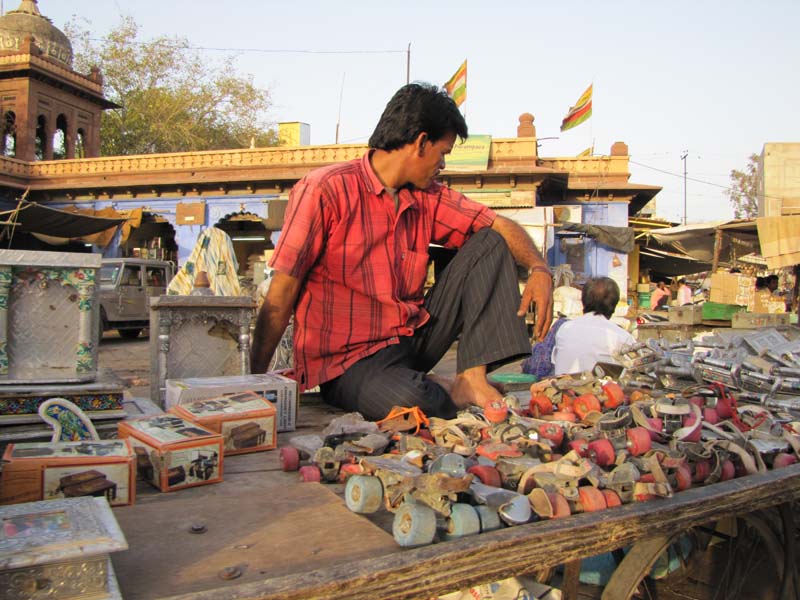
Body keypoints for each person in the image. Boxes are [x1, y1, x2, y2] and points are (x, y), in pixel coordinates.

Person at [250, 83, 553, 420]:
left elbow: (497, 224)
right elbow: (281, 293)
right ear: (421, 142)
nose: (442, 164)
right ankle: (442, 388)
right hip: (349, 362)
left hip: (410, 339)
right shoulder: (325, 190)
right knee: (415, 403)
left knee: (490, 241)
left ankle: (471, 377)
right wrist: (254, 380)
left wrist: (539, 269)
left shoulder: (428, 197)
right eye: (442, 153)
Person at [551, 277, 635, 375]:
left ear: (583, 301)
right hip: (597, 389)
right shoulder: (622, 337)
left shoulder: (564, 328)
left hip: (562, 387)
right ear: (614, 306)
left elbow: (556, 362)